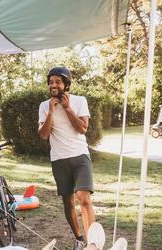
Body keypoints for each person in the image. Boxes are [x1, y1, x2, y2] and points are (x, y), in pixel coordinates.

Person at [38, 66, 96, 250]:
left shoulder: (80, 101)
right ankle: (79, 239)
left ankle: (92, 243)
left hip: (80, 156)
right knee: (68, 201)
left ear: (66, 84)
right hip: (59, 159)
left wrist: (68, 108)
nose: (53, 85)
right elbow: (43, 135)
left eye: (58, 81)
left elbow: (83, 128)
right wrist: (51, 112)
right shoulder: (44, 106)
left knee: (84, 198)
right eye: (51, 82)